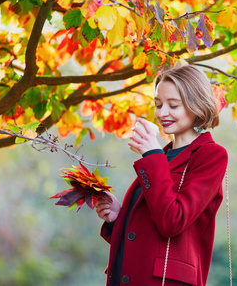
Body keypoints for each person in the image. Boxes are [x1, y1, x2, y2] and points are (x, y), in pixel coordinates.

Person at [95, 64, 228, 286]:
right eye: (158, 104)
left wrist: (152, 153)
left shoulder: (211, 155)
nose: (161, 112)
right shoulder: (162, 156)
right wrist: (121, 217)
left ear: (196, 105)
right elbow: (146, 234)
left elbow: (172, 222)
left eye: (172, 105)